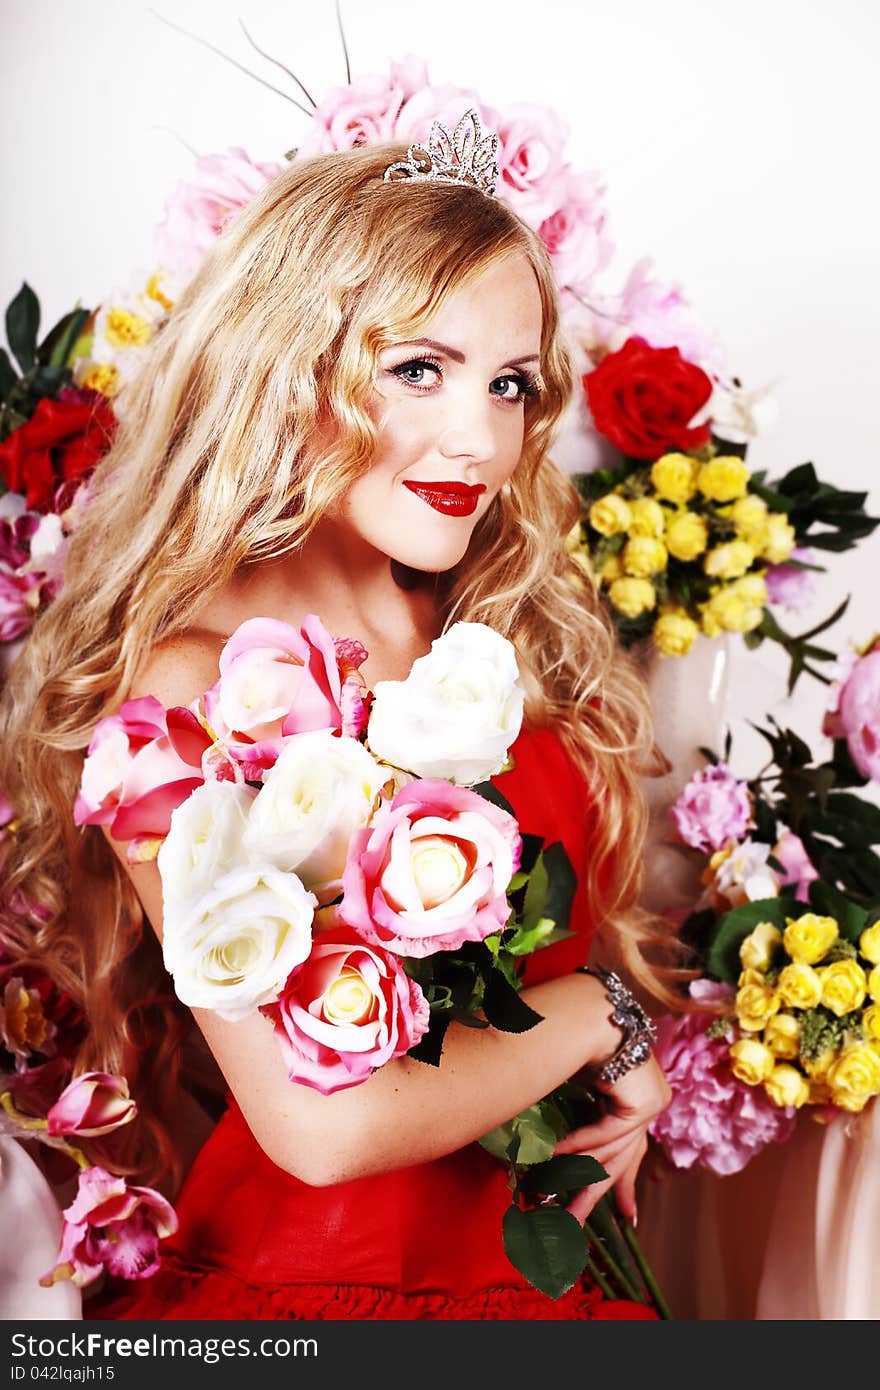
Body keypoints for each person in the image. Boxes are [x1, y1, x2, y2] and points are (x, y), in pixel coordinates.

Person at [0, 118, 679, 1320]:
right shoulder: (180, 696)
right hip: (323, 1296)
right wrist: (596, 1020)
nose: (478, 438)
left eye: (508, 383)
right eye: (417, 368)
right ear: (287, 366)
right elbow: (321, 1123)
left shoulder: (501, 633)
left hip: (560, 1279)